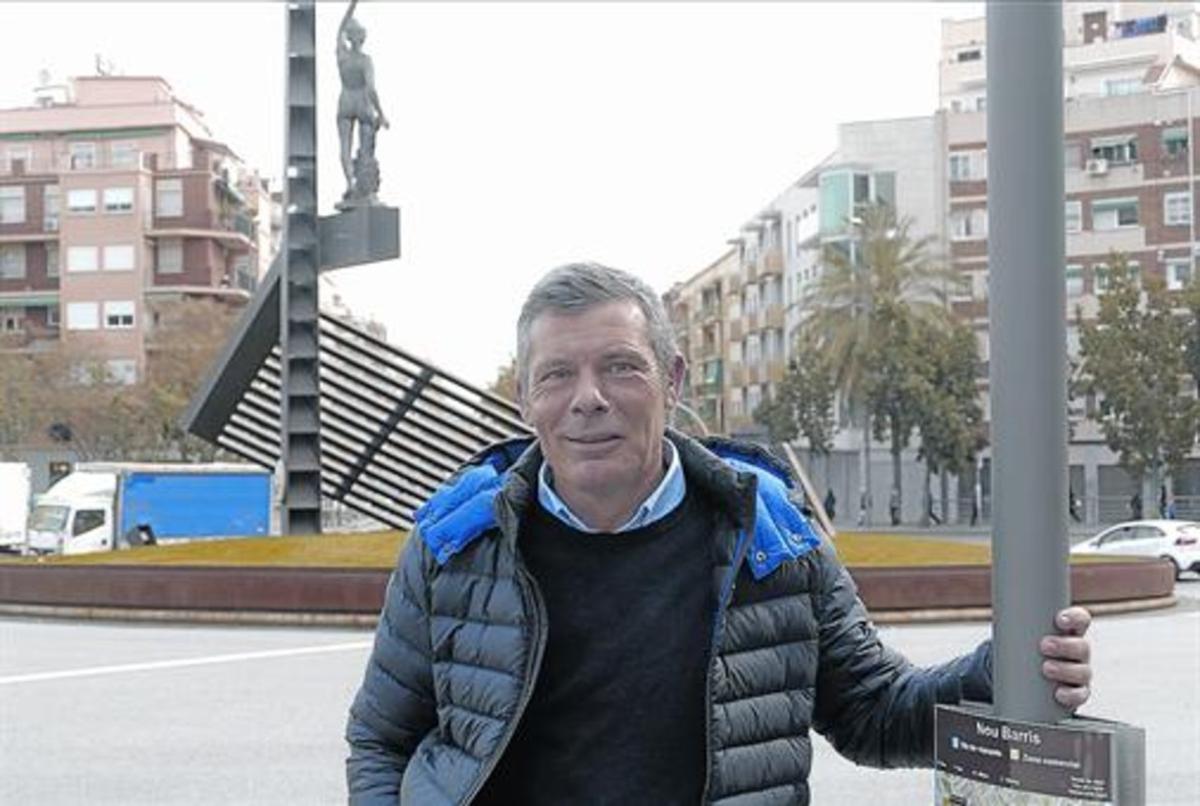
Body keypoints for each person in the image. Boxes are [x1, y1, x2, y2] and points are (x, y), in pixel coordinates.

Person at [345, 263, 1093, 805]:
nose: (589, 400)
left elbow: (872, 712)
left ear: (672, 381)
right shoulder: (456, 547)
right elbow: (383, 741)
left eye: (620, 367)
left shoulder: (769, 541)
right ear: (524, 401)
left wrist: (1006, 674)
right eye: (557, 375)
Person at [336, 0, 389, 206]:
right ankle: (364, 189)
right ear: (362, 38)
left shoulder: (342, 55)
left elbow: (340, 26)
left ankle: (350, 183)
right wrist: (381, 113)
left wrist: (352, 6)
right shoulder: (366, 61)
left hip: (345, 101)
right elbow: (371, 89)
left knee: (344, 147)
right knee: (366, 148)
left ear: (349, 37)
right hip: (362, 101)